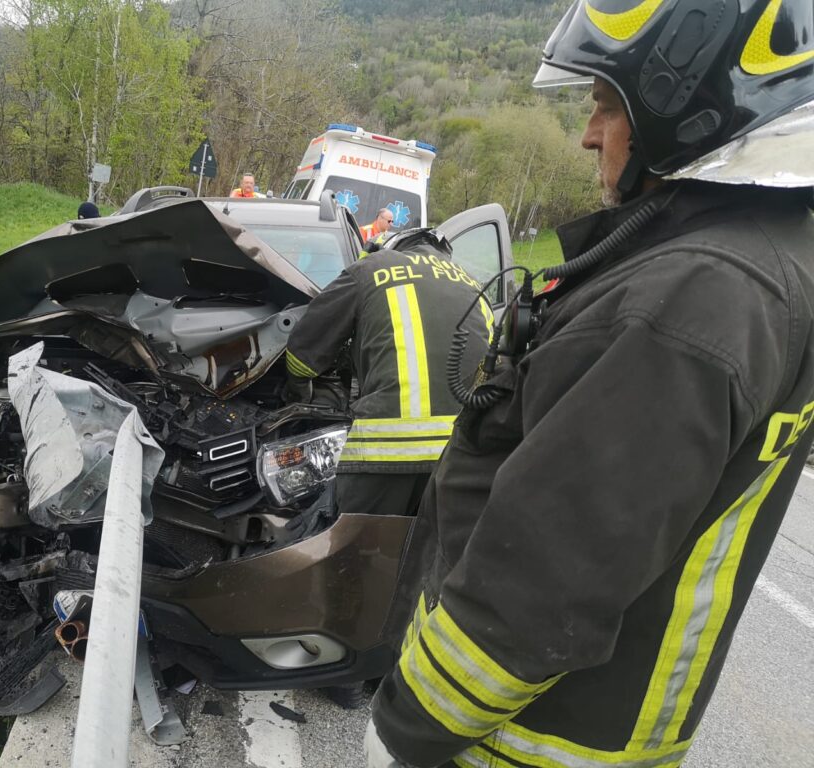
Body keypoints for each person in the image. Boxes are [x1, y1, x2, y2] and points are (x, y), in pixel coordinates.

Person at [365, 2, 814, 767]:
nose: (588, 132)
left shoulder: (693, 294)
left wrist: (407, 729)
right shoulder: (757, 262)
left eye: (607, 103)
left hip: (508, 742)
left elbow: (545, 575)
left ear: (688, 110)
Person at [284, 230, 494, 520]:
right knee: (434, 552)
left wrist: (297, 389)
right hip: (464, 454)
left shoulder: (371, 268)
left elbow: (302, 352)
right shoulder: (474, 285)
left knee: (357, 553)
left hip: (385, 452)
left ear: (392, 246)